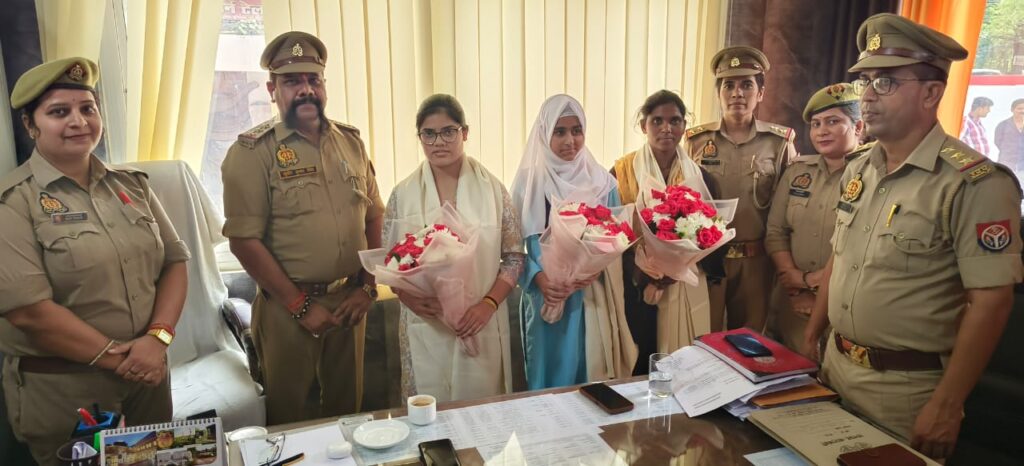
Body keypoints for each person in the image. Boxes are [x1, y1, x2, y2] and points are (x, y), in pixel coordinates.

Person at [804, 14, 1022, 460]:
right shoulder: (860, 167)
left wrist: (948, 403)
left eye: (885, 82)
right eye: (866, 81)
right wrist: (812, 336)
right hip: (834, 369)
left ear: (931, 92)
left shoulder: (974, 183)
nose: (868, 95)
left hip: (904, 390)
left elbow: (992, 301)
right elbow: (840, 259)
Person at [0, 57, 190, 465]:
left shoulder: (131, 185)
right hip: (67, 390)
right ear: (30, 125)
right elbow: (28, 311)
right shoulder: (13, 201)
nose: (79, 121)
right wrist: (127, 359)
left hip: (148, 380)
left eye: (87, 108)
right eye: (59, 112)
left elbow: (175, 262)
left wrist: (157, 339)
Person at [220, 31, 384, 424]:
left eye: (314, 80)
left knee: (350, 413)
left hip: (350, 301)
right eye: (293, 81)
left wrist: (367, 286)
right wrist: (299, 305)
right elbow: (244, 241)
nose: (306, 90)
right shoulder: (252, 153)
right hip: (287, 309)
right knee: (289, 418)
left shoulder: (351, 143)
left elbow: (374, 216)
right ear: (272, 90)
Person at [388, 94, 524, 402]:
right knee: (428, 412)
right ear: (419, 137)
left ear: (465, 132)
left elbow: (514, 257)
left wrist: (488, 304)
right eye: (429, 133)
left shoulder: (494, 190)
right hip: (426, 321)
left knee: (480, 413)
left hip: (479, 319)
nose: (439, 142)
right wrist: (408, 297)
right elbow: (390, 261)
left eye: (449, 131)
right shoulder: (402, 194)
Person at [511, 94, 632, 390]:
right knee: (546, 382)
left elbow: (616, 238)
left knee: (590, 377)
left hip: (591, 296)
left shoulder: (603, 183)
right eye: (560, 131)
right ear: (544, 134)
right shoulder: (528, 183)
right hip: (545, 296)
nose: (570, 141)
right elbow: (511, 248)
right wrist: (538, 279)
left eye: (577, 131)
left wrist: (593, 271)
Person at [685, 46, 797, 332]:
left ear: (760, 93)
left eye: (746, 85)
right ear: (718, 93)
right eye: (729, 85)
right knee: (703, 336)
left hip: (756, 264)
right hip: (708, 259)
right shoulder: (696, 141)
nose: (737, 93)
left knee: (749, 341)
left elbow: (788, 209)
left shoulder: (778, 143)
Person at [611, 90, 720, 372]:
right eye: (657, 121)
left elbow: (712, 236)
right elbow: (611, 233)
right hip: (635, 286)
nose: (666, 128)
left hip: (683, 283)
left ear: (684, 126)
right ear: (643, 126)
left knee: (681, 364)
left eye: (675, 121)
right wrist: (645, 272)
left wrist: (674, 270)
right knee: (641, 360)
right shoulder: (619, 174)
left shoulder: (701, 177)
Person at [765, 83, 868, 355]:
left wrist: (814, 284)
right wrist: (797, 288)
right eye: (816, 124)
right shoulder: (798, 171)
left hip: (843, 304)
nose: (821, 131)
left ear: (858, 127)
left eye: (833, 121)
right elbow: (776, 232)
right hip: (792, 303)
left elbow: (865, 248)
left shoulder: (873, 176)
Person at [993, 98, 1024, 172]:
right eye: (1019, 108)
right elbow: (997, 142)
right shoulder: (1003, 125)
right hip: (1006, 162)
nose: (1022, 111)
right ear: (1012, 110)